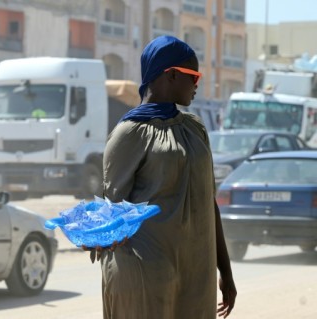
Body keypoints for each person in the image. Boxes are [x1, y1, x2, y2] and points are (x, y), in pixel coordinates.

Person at [97, 35, 237, 318]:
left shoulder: (195, 130)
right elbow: (112, 211)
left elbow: (209, 207)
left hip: (195, 279)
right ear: (171, 74)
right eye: (193, 75)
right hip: (145, 280)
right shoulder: (129, 133)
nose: (197, 84)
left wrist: (226, 272)